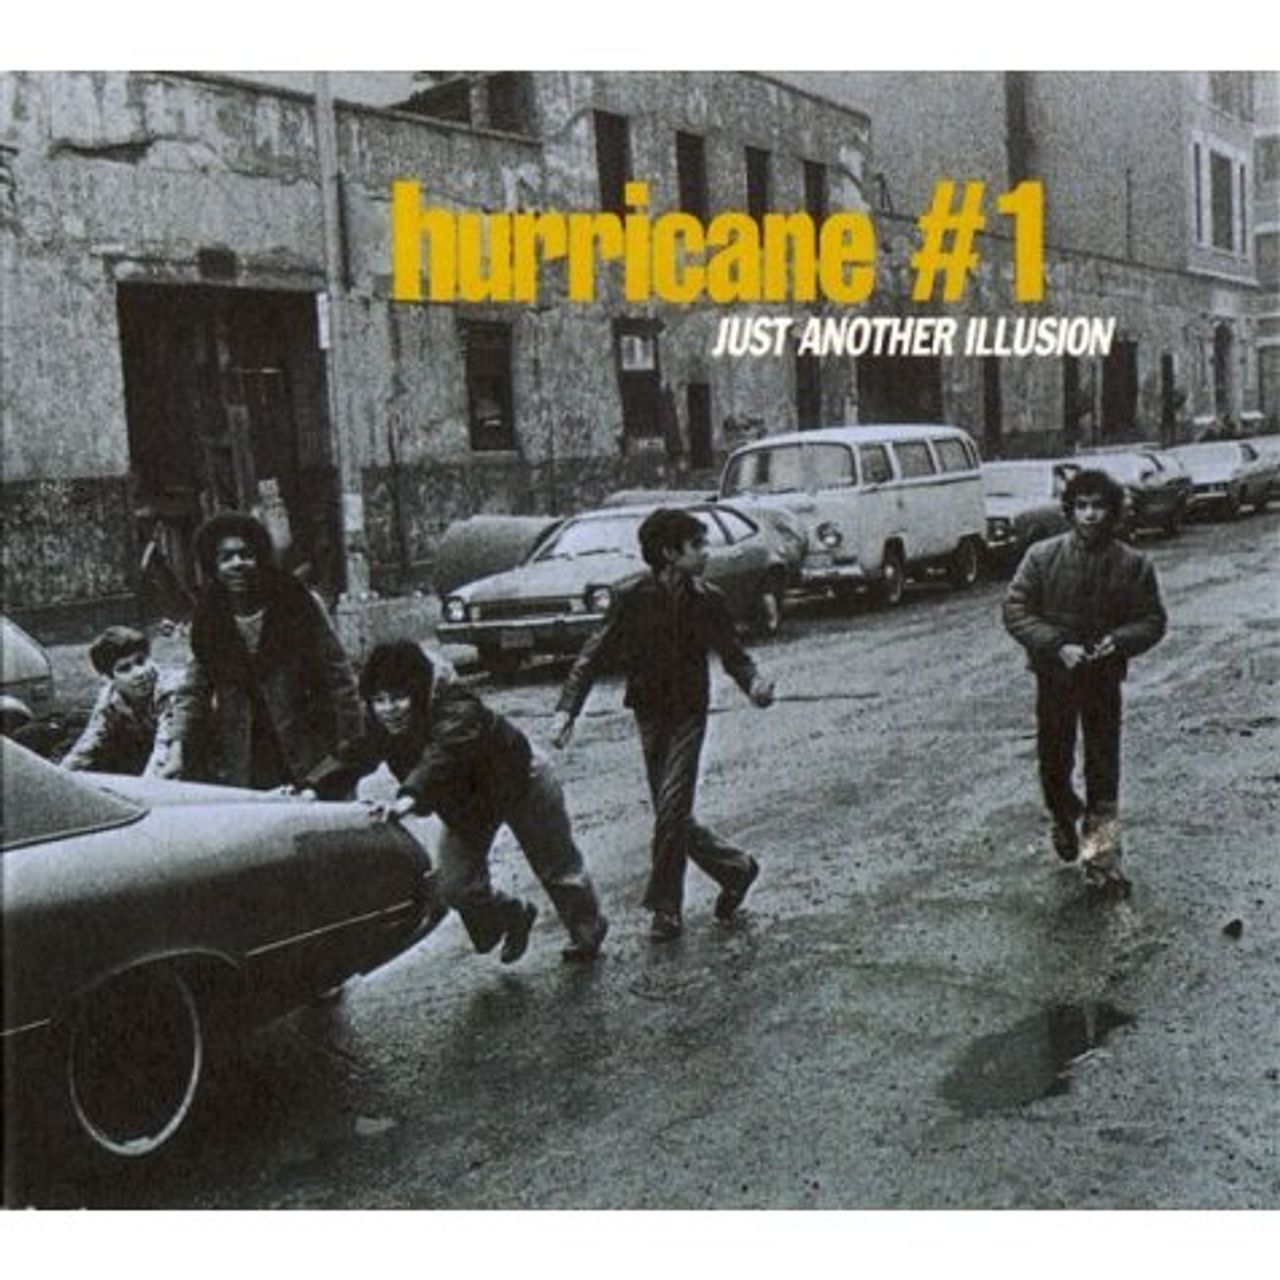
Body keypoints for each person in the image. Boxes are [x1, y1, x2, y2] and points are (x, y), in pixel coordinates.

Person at [304, 641, 609, 964]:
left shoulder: (456, 704)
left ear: (418, 691)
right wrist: (312, 787)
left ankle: (587, 928)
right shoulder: (379, 722)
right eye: (379, 700)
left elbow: (444, 753)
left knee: (557, 865)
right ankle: (513, 915)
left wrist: (409, 796)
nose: (388, 709)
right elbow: (353, 754)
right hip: (469, 803)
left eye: (398, 698)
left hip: (520, 780)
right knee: (456, 887)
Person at [552, 507, 775, 941]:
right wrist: (567, 711)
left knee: (671, 808)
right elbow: (591, 656)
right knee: (672, 814)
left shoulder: (708, 598)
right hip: (650, 713)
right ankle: (735, 869)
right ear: (670, 553)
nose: (706, 552)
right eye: (697, 545)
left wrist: (754, 684)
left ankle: (666, 908)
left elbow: (733, 654)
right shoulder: (630, 595)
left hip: (689, 712)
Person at [1002, 468, 1167, 894]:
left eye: (1099, 507)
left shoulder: (1133, 564)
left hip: (1103, 679)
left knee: (1103, 766)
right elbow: (1016, 610)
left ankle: (1101, 859)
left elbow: (1152, 620)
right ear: (1070, 511)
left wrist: (1120, 641)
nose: (1090, 515)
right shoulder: (1042, 557)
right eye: (1082, 506)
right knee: (1054, 761)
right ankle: (1062, 815)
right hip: (1055, 678)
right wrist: (1057, 645)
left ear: (1113, 512)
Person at [165, 511, 361, 789]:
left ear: (259, 558)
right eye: (226, 558)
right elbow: (193, 690)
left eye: (246, 554)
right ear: (213, 566)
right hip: (247, 753)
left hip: (307, 742)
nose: (237, 564)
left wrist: (350, 744)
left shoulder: (296, 601)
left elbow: (338, 674)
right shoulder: (209, 618)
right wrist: (176, 750)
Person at [61, 626, 178, 775]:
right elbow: (87, 745)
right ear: (110, 678)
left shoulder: (170, 688)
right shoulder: (110, 698)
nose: (139, 672)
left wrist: (145, 785)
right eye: (125, 669)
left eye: (141, 661)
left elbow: (164, 748)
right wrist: (61, 777)